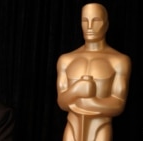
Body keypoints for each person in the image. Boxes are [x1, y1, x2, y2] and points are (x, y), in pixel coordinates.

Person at [56, 3, 131, 141]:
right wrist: (76, 90)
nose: (89, 26)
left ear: (106, 24)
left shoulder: (119, 61)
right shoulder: (66, 60)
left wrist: (90, 103)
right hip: (72, 126)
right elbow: (61, 102)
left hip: (100, 126)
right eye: (85, 21)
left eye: (96, 21)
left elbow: (118, 105)